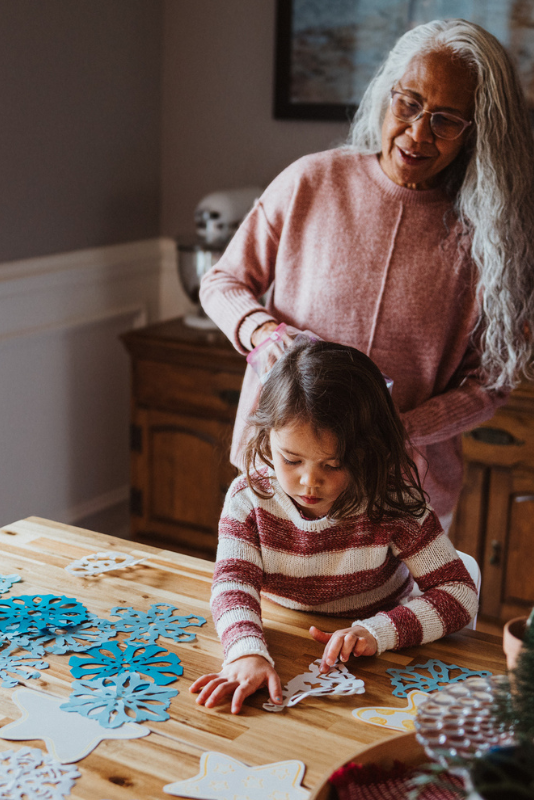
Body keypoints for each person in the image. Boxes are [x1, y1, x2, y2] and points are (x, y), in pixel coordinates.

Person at [200, 19, 534, 525]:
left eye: (446, 119)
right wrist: (264, 335)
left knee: (397, 608)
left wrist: (401, 428)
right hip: (282, 475)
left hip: (402, 490)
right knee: (261, 602)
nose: (419, 132)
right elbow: (223, 282)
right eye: (410, 103)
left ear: (477, 131)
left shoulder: (490, 236)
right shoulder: (312, 180)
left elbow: (491, 381)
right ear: (387, 94)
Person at [190, 340, 478, 714]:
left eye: (334, 464)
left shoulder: (393, 503)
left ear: (371, 450)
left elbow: (457, 592)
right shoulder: (248, 497)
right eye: (291, 459)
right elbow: (232, 583)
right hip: (284, 632)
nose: (310, 482)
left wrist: (376, 632)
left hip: (375, 661)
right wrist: (245, 652)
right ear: (266, 437)